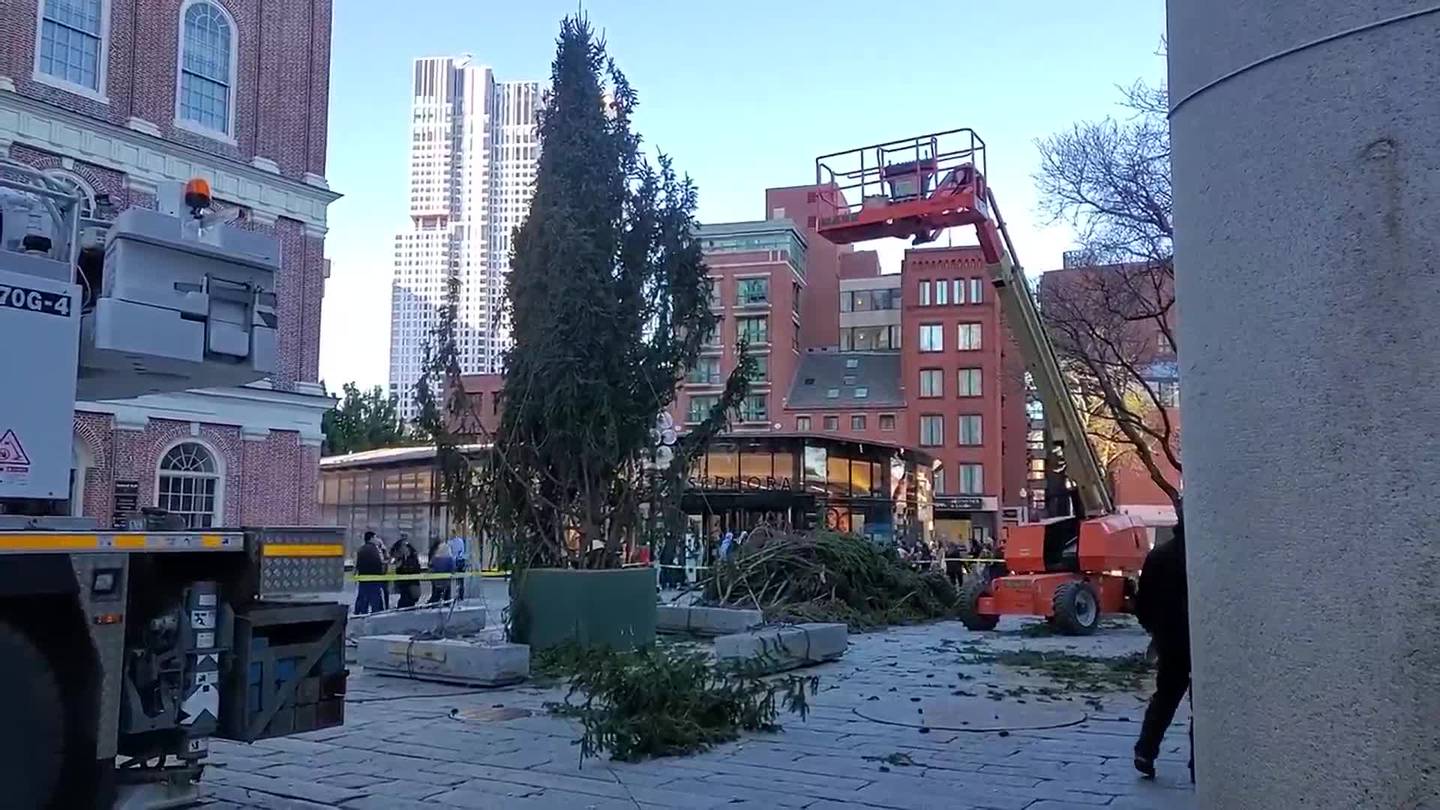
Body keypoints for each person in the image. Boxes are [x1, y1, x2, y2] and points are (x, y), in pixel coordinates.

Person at [1134, 512, 1192, 781]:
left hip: (1169, 638)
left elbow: (1142, 601)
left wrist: (1155, 630)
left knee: (1165, 697)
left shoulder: (1159, 555)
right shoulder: (1201, 556)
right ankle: (1199, 761)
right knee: (1202, 704)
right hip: (1199, 638)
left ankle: (1145, 751)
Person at [353, 531, 386, 615]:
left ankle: (359, 613)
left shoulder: (361, 549)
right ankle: (376, 615)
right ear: (371, 538)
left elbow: (356, 564)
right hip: (374, 579)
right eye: (375, 537)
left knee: (363, 599)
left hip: (363, 578)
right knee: (375, 600)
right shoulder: (375, 549)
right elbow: (381, 562)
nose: (377, 539)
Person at [392, 539, 422, 609]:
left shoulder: (412, 558)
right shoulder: (401, 558)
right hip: (405, 585)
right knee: (406, 601)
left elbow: (414, 569)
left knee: (409, 600)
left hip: (411, 584)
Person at [427, 539, 455, 604]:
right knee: (446, 593)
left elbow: (430, 567)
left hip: (437, 581)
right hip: (446, 580)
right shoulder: (449, 559)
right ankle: (446, 603)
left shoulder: (434, 558)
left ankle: (434, 603)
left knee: (436, 593)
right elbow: (453, 569)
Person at [447, 535, 468, 601]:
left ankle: (456, 595)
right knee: (460, 580)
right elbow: (462, 551)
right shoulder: (460, 541)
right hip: (460, 561)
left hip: (455, 562)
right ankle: (460, 595)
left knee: (455, 579)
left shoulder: (450, 542)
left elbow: (450, 553)